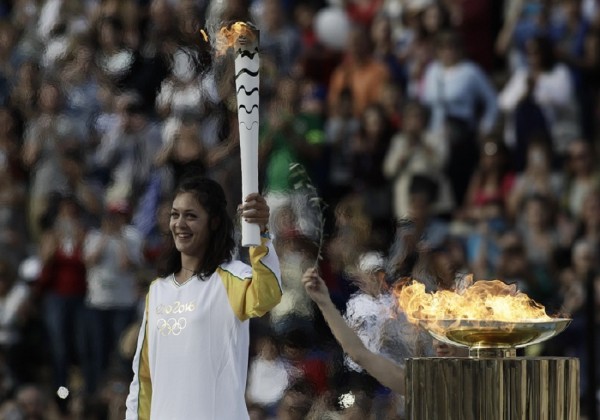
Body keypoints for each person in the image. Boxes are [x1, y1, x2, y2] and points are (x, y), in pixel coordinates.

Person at [125, 176, 282, 420]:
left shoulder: (232, 278)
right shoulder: (157, 291)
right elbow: (143, 377)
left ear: (214, 222)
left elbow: (268, 295)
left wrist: (261, 234)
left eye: (191, 216)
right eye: (175, 215)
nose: (179, 224)